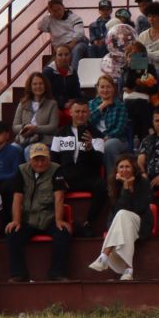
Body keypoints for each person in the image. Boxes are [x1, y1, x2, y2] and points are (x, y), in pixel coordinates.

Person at [7, 143, 73, 282]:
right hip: (28, 218)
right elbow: (17, 198)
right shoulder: (21, 170)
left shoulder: (56, 169)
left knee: (62, 233)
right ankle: (19, 274)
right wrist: (17, 221)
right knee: (13, 233)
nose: (40, 163)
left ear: (49, 159)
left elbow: (59, 197)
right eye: (36, 159)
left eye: (43, 159)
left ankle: (57, 273)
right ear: (30, 160)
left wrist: (59, 220)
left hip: (48, 217)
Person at [90, 155, 151, 280]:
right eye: (121, 167)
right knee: (122, 216)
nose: (124, 170)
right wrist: (125, 187)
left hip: (141, 222)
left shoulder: (143, 183)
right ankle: (129, 270)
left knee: (123, 215)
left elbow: (140, 208)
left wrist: (128, 188)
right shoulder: (114, 184)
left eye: (127, 166)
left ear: (133, 168)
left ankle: (104, 256)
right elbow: (118, 210)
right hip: (123, 223)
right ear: (117, 170)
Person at [49, 98, 106, 232]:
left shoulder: (97, 135)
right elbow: (54, 160)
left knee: (103, 186)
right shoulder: (60, 133)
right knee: (53, 182)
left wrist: (90, 148)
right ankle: (57, 222)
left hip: (87, 177)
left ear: (89, 113)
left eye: (84, 112)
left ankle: (89, 222)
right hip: (66, 176)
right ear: (71, 113)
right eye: (77, 111)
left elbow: (99, 162)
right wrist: (60, 177)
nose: (80, 115)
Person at [87, 73, 131, 171]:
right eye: (102, 87)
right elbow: (88, 122)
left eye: (108, 87)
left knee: (109, 145)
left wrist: (106, 137)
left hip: (116, 139)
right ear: (97, 88)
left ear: (113, 88)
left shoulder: (120, 106)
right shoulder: (91, 104)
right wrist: (101, 107)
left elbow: (120, 129)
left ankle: (111, 180)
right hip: (95, 138)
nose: (105, 90)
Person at [13, 69, 60, 145]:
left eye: (41, 84)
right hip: (24, 139)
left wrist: (36, 129)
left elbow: (53, 127)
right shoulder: (22, 104)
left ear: (45, 86)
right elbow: (15, 127)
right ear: (30, 86)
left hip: (44, 140)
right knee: (14, 149)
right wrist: (25, 127)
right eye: (35, 84)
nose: (38, 86)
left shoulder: (52, 104)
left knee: (28, 150)